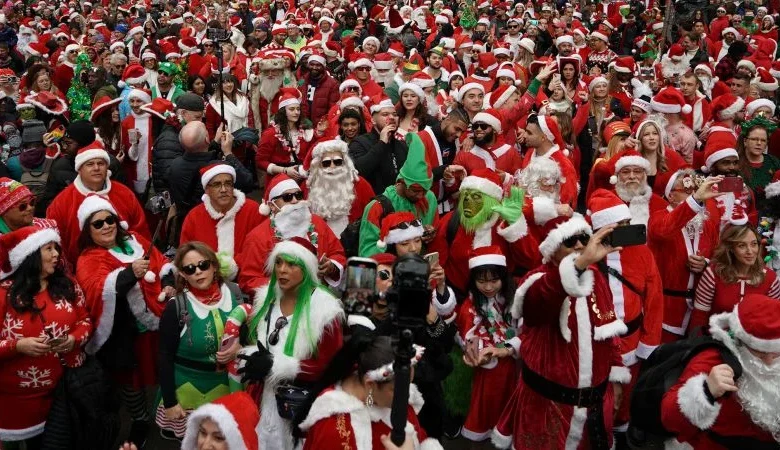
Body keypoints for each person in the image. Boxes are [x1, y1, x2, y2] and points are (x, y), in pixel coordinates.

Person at [492, 214, 628, 450]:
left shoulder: (597, 278)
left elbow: (608, 333)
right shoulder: (537, 280)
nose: (579, 245)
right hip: (547, 407)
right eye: (570, 241)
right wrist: (577, 266)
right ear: (552, 249)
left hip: (594, 407)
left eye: (584, 238)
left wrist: (615, 378)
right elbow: (536, 306)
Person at [75, 195, 173, 447]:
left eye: (110, 220)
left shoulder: (135, 240)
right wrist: (130, 273)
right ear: (88, 230)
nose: (106, 226)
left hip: (158, 322)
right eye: (98, 223)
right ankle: (140, 420)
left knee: (166, 368)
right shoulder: (89, 258)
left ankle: (172, 414)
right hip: (124, 333)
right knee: (132, 380)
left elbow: (162, 263)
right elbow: (96, 290)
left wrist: (168, 283)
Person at [236, 238, 345, 450]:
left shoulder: (325, 310)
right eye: (278, 262)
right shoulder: (266, 299)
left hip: (301, 410)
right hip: (264, 403)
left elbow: (331, 367)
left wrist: (277, 366)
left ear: (307, 268)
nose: (282, 270)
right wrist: (252, 359)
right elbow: (260, 344)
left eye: (291, 264)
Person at [0, 225, 91, 448]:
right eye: (48, 249)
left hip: (64, 393)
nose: (56, 254)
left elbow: (85, 321)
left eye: (56, 248)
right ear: (30, 255)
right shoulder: (4, 294)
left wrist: (73, 339)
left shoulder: (67, 284)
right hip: (18, 402)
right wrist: (17, 346)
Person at [295, 321, 442, 450]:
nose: (407, 394)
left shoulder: (393, 398)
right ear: (370, 384)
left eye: (409, 384)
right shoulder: (332, 431)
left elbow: (419, 437)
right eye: (398, 389)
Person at [661, 294, 780, 448]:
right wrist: (706, 391)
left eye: (776, 354)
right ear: (741, 343)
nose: (770, 362)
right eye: (761, 354)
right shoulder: (713, 360)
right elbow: (669, 419)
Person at [155, 241, 243, 440]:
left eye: (203, 265)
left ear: (214, 266)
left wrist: (241, 347)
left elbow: (251, 336)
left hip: (228, 389)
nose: (198, 272)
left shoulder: (235, 294)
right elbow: (164, 357)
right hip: (188, 393)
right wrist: (170, 402)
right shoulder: (176, 307)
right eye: (190, 269)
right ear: (183, 274)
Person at [429, 169, 539, 296]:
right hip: (458, 297)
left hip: (500, 297)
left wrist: (516, 224)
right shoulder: (451, 221)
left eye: (476, 197)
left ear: (491, 200)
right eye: (465, 195)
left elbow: (530, 260)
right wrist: (439, 297)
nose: (467, 201)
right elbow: (435, 266)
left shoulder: (504, 222)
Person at [46, 138, 149, 267]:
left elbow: (141, 233)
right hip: (83, 270)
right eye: (90, 164)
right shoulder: (62, 203)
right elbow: (57, 245)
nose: (96, 168)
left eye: (101, 163)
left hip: (129, 268)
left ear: (107, 167)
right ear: (79, 169)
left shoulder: (124, 194)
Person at [237, 175, 346, 293]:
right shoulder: (257, 237)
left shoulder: (317, 222)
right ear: (272, 206)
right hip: (279, 300)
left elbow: (337, 253)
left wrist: (331, 266)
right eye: (287, 197)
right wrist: (285, 285)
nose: (295, 201)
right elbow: (249, 280)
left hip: (319, 296)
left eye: (298, 195)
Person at [454, 246, 519, 443]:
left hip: (518, 361)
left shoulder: (516, 297)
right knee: (490, 401)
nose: (488, 287)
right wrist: (480, 354)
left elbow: (528, 330)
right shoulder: (470, 305)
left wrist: (510, 348)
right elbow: (469, 335)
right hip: (491, 367)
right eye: (481, 281)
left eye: (494, 280)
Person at [651, 170, 722, 342]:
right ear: (671, 196)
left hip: (699, 310)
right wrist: (695, 200)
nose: (695, 194)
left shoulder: (708, 224)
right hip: (667, 310)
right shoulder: (658, 218)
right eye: (688, 191)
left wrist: (706, 264)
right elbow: (665, 230)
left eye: (696, 191)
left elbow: (719, 258)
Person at [357, 133, 439, 257]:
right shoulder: (377, 208)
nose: (420, 196)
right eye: (415, 190)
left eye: (425, 190)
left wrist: (429, 233)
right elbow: (366, 253)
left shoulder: (430, 198)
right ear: (401, 182)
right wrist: (394, 243)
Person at [690, 224, 780, 334]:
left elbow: (773, 321)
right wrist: (698, 343)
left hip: (753, 343)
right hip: (715, 340)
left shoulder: (770, 279)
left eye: (754, 244)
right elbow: (699, 318)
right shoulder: (713, 274)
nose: (750, 251)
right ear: (731, 249)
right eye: (742, 246)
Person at [167, 121, 254, 235]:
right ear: (207, 139)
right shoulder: (216, 169)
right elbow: (247, 182)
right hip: (213, 226)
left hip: (186, 223)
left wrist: (214, 143)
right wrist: (228, 153)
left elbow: (199, 155)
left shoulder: (174, 165)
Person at [179, 164, 262, 280]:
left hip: (247, 278)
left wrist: (234, 265)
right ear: (207, 189)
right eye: (217, 185)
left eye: (228, 183)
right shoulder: (194, 216)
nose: (223, 190)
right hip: (206, 281)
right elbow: (185, 254)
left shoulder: (252, 210)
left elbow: (260, 249)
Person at [302, 140, 375, 236]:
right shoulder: (308, 187)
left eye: (337, 162)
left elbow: (373, 214)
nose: (332, 166)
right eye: (326, 163)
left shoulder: (360, 184)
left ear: (345, 163)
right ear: (318, 165)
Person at [349, 98, 409, 195]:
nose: (392, 117)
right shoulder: (359, 143)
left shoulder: (402, 145)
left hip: (399, 200)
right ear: (373, 120)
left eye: (395, 114)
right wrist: (382, 143)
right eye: (385, 114)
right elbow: (359, 171)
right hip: (374, 200)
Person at [255, 92, 313, 187]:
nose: (296, 112)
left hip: (301, 181)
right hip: (278, 182)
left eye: (298, 109)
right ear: (283, 112)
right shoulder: (270, 134)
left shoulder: (304, 132)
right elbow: (260, 161)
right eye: (292, 109)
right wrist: (285, 170)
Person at [738, 117, 780, 210]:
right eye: (754, 139)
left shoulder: (774, 162)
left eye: (763, 140)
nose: (759, 143)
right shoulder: (735, 163)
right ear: (745, 141)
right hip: (743, 212)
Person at [205, 74, 251, 138]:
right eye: (224, 82)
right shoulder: (214, 104)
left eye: (230, 81)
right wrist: (214, 142)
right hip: (224, 140)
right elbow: (210, 127)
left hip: (245, 137)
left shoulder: (243, 98)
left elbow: (250, 117)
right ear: (220, 85)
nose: (229, 85)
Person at [299, 54, 339, 125]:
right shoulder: (303, 80)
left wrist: (325, 123)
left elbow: (332, 108)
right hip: (304, 123)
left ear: (323, 66)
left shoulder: (332, 84)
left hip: (321, 125)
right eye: (312, 64)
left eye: (318, 65)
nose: (314, 67)